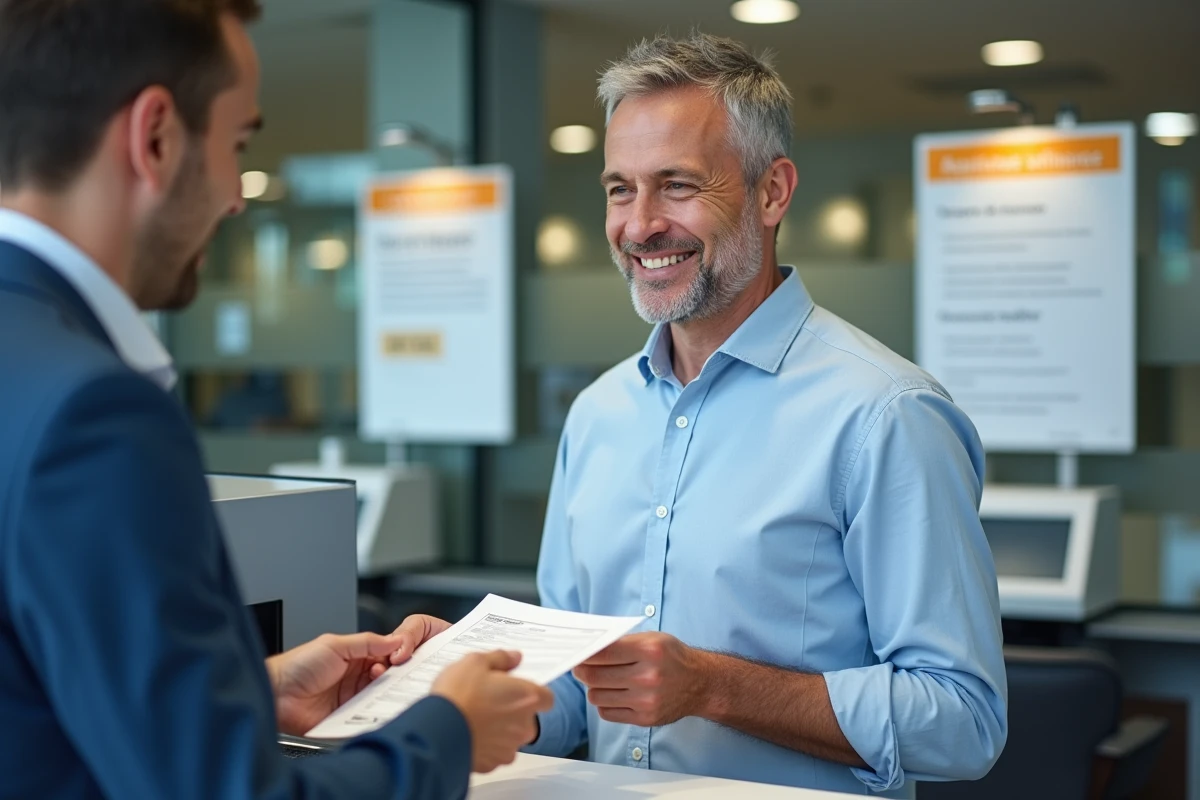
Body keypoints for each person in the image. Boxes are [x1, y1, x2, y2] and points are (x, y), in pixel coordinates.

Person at [392, 33, 1007, 798]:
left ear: (773, 192)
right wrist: (456, 685)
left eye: (677, 185)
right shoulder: (597, 416)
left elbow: (964, 720)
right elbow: (579, 697)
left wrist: (712, 687)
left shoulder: (885, 415)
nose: (640, 225)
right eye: (620, 189)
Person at [0, 2, 551, 799]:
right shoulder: (95, 414)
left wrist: (249, 692)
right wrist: (448, 732)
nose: (234, 196)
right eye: (237, 145)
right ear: (154, 138)